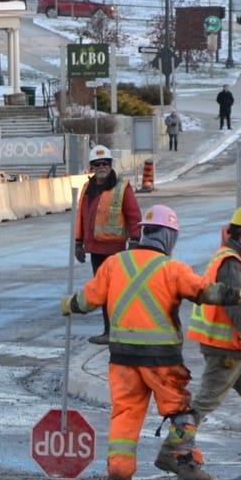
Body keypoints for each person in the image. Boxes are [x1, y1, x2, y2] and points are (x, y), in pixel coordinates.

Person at [62, 204, 241, 480]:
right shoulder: (172, 269)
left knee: (125, 413)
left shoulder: (116, 264)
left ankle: (119, 470)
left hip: (122, 358)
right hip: (161, 360)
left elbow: (87, 300)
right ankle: (182, 459)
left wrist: (69, 304)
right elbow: (209, 293)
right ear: (169, 237)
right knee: (181, 413)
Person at [187, 205, 241, 426]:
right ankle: (175, 448)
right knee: (204, 403)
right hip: (227, 351)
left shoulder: (234, 259)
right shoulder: (232, 264)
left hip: (239, 350)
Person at [73, 145, 141, 345]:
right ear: (92, 167)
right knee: (103, 291)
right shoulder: (88, 188)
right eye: (97, 164)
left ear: (110, 165)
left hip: (115, 250)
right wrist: (78, 242)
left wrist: (135, 239)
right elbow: (81, 217)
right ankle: (109, 330)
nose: (101, 167)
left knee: (116, 291)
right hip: (95, 249)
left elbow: (133, 214)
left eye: (105, 164)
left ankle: (118, 329)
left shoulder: (121, 187)